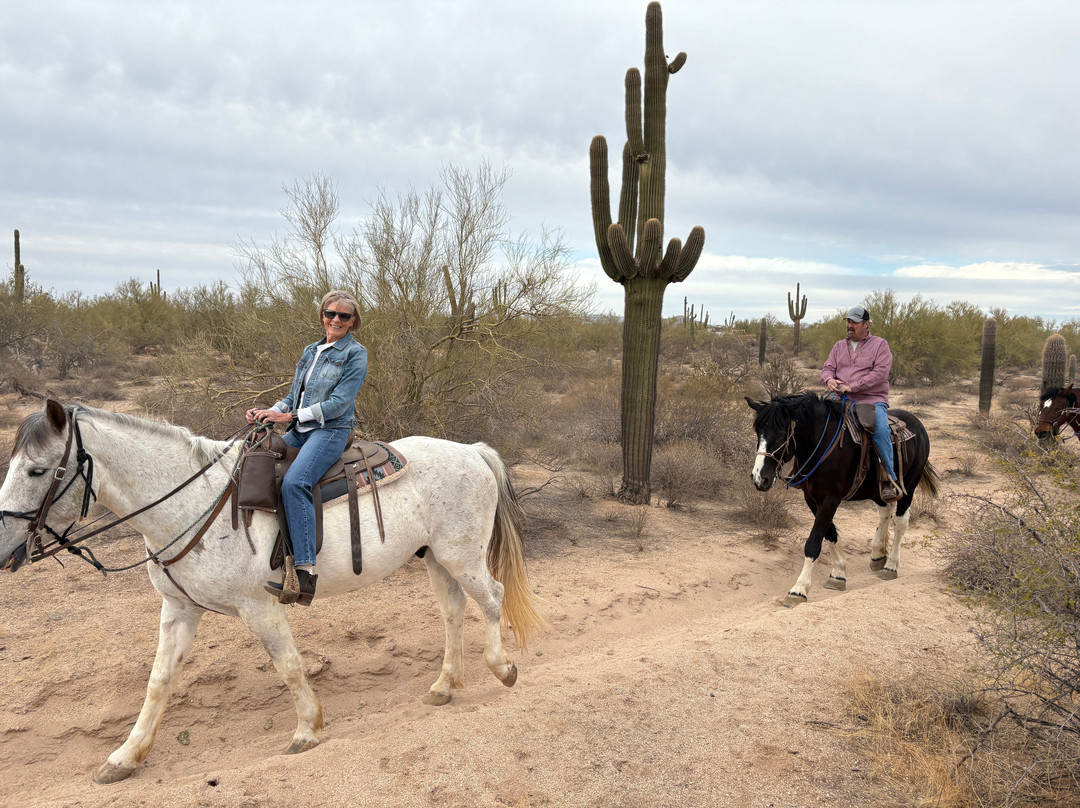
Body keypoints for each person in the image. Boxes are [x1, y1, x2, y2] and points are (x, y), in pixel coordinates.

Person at [246, 290, 368, 604]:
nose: (336, 320)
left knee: (295, 482)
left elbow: (340, 403)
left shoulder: (355, 354)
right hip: (299, 429)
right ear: (322, 316)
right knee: (254, 463)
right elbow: (292, 397)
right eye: (331, 313)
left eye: (344, 316)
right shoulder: (311, 350)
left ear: (353, 321)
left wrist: (292, 415)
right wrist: (269, 411)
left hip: (331, 431)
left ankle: (305, 570)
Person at [821, 305, 901, 502]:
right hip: (839, 398)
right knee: (815, 421)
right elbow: (827, 368)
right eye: (848, 322)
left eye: (854, 322)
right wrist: (829, 380)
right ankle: (804, 470)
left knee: (881, 430)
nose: (849, 326)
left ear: (866, 324)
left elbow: (880, 374)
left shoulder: (880, 345)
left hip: (871, 399)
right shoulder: (839, 346)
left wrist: (852, 386)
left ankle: (888, 478)